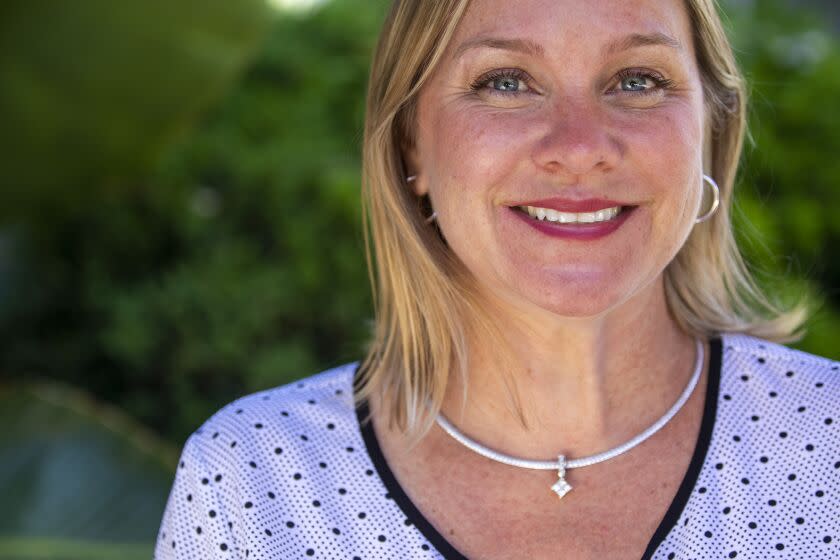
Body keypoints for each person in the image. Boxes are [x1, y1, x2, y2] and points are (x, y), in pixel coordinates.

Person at [155, 0, 839, 558]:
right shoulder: (253, 481)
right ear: (410, 145)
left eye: (637, 80)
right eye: (505, 82)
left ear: (711, 133)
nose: (579, 148)